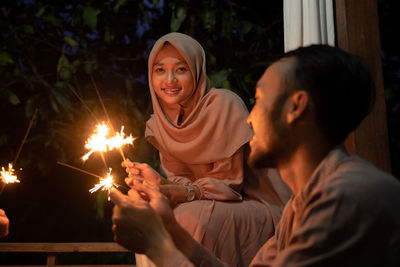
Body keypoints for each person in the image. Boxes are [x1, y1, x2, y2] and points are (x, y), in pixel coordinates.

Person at [112, 44, 400, 266]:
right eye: (159, 70)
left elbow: (229, 183)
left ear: (295, 107)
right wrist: (171, 229)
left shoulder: (348, 197)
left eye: (259, 100)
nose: (248, 120)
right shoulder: (299, 207)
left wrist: (157, 245)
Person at [121, 32, 290, 267]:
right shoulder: (161, 124)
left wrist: (176, 193)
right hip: (205, 201)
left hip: (259, 204)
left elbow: (230, 185)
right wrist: (159, 183)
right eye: (159, 70)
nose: (169, 79)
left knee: (191, 217)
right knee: (151, 218)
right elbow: (185, 185)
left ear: (197, 71)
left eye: (181, 69)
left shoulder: (224, 105)